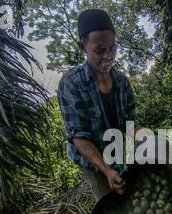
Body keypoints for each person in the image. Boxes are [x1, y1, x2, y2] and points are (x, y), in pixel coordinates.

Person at [57, 9, 141, 201]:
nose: (108, 56)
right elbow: (79, 138)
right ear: (83, 47)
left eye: (112, 47)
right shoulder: (71, 84)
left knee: (130, 194)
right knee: (109, 202)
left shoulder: (122, 82)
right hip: (94, 163)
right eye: (99, 50)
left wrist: (146, 142)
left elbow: (131, 123)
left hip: (118, 151)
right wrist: (106, 170)